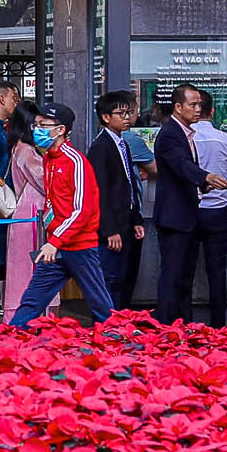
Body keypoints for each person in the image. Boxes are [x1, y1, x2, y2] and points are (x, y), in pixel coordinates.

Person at [8, 103, 113, 327]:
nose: (37, 130)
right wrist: (54, 239)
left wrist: (54, 241)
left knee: (99, 305)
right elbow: (53, 203)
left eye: (44, 125)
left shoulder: (75, 161)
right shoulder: (48, 159)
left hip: (79, 246)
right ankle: (12, 336)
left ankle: (115, 346)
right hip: (57, 245)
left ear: (61, 130)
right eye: (36, 125)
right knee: (32, 300)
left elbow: (81, 209)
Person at [151, 84, 227, 323]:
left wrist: (204, 185)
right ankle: (165, 327)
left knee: (183, 277)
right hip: (174, 217)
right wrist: (204, 177)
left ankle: (181, 325)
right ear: (178, 107)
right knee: (172, 277)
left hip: (186, 215)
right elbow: (180, 164)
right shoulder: (170, 134)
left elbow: (184, 172)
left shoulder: (185, 132)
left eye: (199, 105)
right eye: (192, 105)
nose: (198, 109)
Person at [88, 91, 147, 312]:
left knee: (122, 279)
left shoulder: (122, 143)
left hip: (126, 223)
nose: (126, 117)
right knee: (109, 281)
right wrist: (110, 230)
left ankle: (119, 327)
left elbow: (129, 185)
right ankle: (106, 330)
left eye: (128, 113)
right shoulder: (101, 147)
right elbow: (99, 192)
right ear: (105, 117)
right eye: (120, 113)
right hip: (111, 229)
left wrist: (136, 220)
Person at [189, 92, 227, 327]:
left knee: (185, 269)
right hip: (219, 212)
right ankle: (218, 323)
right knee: (217, 271)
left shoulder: (184, 139)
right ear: (212, 112)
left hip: (189, 212)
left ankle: (185, 322)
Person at [2, 107, 48, 319]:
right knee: (28, 267)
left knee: (23, 265)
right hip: (31, 212)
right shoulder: (26, 151)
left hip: (26, 211)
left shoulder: (18, 148)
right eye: (38, 124)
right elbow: (43, 181)